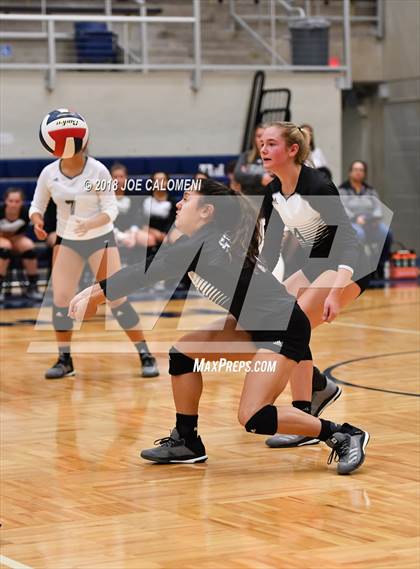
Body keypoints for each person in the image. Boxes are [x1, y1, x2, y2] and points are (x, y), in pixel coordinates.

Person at [69, 179, 370, 475]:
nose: (178, 203)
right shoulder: (208, 238)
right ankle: (186, 440)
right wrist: (93, 294)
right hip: (254, 324)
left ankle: (342, 434)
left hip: (282, 327)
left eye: (186, 199)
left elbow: (142, 273)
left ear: (206, 211)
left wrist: (91, 294)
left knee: (254, 416)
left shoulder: (202, 243)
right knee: (183, 354)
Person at [259, 122, 372, 449]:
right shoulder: (274, 191)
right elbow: (270, 247)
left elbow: (348, 239)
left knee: (291, 324)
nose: (264, 150)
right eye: (261, 144)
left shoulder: (318, 185)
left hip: (347, 265)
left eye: (271, 144)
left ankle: (303, 415)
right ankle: (319, 386)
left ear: (292, 150)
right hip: (314, 264)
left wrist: (336, 290)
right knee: (277, 317)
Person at [29, 144, 159, 380]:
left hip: (100, 238)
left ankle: (145, 354)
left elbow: (111, 209)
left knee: (116, 297)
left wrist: (90, 223)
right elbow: (36, 206)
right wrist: (37, 222)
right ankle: (64, 360)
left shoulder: (98, 170)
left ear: (81, 144)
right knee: (60, 300)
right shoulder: (49, 172)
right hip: (67, 239)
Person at [339, 160, 392, 278]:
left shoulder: (370, 190)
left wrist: (372, 218)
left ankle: (380, 265)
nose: (358, 172)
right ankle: (360, 268)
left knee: (387, 233)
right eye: (356, 170)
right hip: (352, 223)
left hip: (371, 223)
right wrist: (355, 218)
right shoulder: (342, 189)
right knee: (359, 234)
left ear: (364, 173)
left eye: (361, 170)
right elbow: (342, 208)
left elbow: (378, 208)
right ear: (350, 172)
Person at [0, 187, 42, 302]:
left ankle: (32, 287)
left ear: (22, 202)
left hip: (16, 238)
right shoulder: (1, 211)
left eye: (17, 201)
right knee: (5, 247)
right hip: (1, 238)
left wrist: (13, 241)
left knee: (29, 247)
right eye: (11, 201)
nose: (14, 204)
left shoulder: (25, 212)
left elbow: (21, 233)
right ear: (5, 201)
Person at [234, 124, 273, 196]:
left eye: (265, 136)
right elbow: (238, 175)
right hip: (248, 200)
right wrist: (260, 179)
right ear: (254, 138)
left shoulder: (275, 157)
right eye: (259, 136)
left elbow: (273, 180)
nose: (261, 139)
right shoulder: (246, 156)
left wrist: (248, 176)